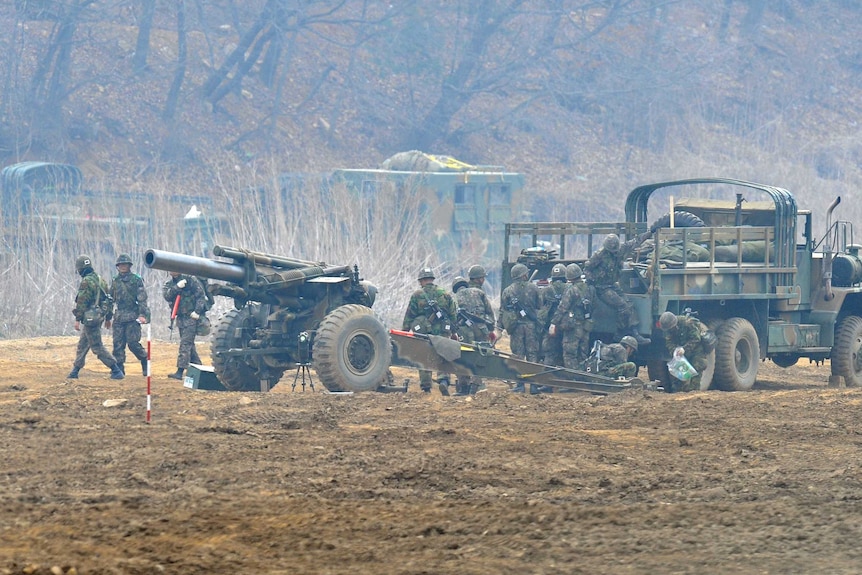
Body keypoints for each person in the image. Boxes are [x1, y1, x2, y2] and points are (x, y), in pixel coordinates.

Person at [584, 233, 651, 346]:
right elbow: (587, 269)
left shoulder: (621, 250)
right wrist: (592, 281)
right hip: (601, 287)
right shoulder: (599, 255)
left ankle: (634, 332)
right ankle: (620, 334)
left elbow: (635, 241)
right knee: (622, 306)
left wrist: (650, 232)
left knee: (629, 303)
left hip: (612, 284)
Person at [402, 266, 458, 396]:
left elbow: (409, 315)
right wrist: (454, 333)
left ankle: (426, 387)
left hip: (423, 333)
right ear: (432, 279)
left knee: (424, 356)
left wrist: (404, 332)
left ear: (421, 281)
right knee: (443, 355)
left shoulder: (417, 295)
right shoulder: (445, 294)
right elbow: (453, 315)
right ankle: (444, 380)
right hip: (443, 332)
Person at [67, 255, 125, 380]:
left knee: (97, 346)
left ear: (80, 269)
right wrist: (108, 318)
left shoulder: (86, 281)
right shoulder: (100, 280)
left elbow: (82, 302)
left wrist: (77, 319)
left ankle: (115, 369)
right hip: (98, 317)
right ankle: (75, 371)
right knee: (83, 344)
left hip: (90, 319)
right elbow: (109, 300)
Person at [498, 263, 542, 393]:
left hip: (516, 327)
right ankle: (534, 385)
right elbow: (540, 307)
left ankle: (520, 385)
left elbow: (503, 311)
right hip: (531, 327)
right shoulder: (534, 289)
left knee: (518, 355)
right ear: (524, 275)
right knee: (532, 355)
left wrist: (499, 328)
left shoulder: (508, 291)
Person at [452, 271, 496, 396]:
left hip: (464, 331)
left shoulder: (454, 298)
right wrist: (490, 329)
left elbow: (452, 317)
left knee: (462, 357)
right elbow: (490, 313)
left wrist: (453, 332)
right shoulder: (479, 292)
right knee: (480, 356)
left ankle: (463, 387)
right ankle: (476, 386)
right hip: (481, 329)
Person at [108, 253, 150, 376]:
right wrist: (107, 317)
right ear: (117, 266)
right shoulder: (115, 281)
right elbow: (110, 299)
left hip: (132, 316)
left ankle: (144, 361)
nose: (123, 267)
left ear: (129, 266)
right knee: (118, 344)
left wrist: (142, 315)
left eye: (125, 264)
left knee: (133, 344)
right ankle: (119, 369)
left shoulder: (136, 280)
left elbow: (142, 299)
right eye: (120, 265)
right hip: (119, 316)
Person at [163, 271, 208, 380]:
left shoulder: (190, 280)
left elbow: (201, 296)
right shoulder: (169, 284)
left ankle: (180, 371)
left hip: (191, 317)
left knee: (185, 344)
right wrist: (177, 287)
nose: (172, 271)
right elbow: (167, 296)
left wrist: (197, 312)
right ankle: (199, 368)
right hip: (180, 318)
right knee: (190, 346)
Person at [550, 263, 594, 370]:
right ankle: (582, 378)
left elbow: (562, 308)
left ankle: (572, 380)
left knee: (569, 355)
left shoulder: (571, 290)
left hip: (573, 328)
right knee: (583, 355)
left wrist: (553, 323)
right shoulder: (590, 288)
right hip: (586, 326)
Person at [659, 311, 710, 392]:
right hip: (681, 353)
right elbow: (669, 342)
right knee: (678, 378)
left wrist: (684, 349)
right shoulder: (668, 329)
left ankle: (694, 393)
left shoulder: (688, 323)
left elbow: (696, 339)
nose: (670, 330)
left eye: (671, 328)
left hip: (696, 350)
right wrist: (674, 351)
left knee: (696, 372)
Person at [538, 263, 567, 367]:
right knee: (567, 354)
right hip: (566, 327)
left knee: (549, 354)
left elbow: (540, 307)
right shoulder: (570, 288)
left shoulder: (546, 290)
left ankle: (546, 379)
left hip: (550, 328)